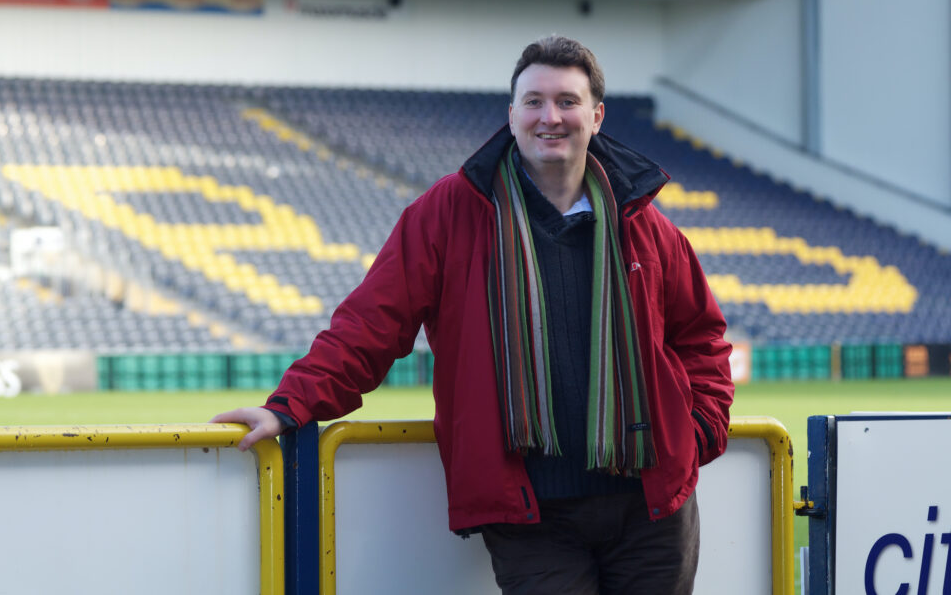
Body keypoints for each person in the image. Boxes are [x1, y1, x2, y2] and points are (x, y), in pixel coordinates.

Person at [212, 35, 733, 595]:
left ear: (597, 116)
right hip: (531, 514)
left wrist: (697, 430)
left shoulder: (645, 222)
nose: (549, 117)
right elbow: (369, 326)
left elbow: (700, 338)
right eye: (533, 101)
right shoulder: (448, 212)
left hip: (652, 505)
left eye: (567, 101)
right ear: (511, 116)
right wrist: (291, 406)